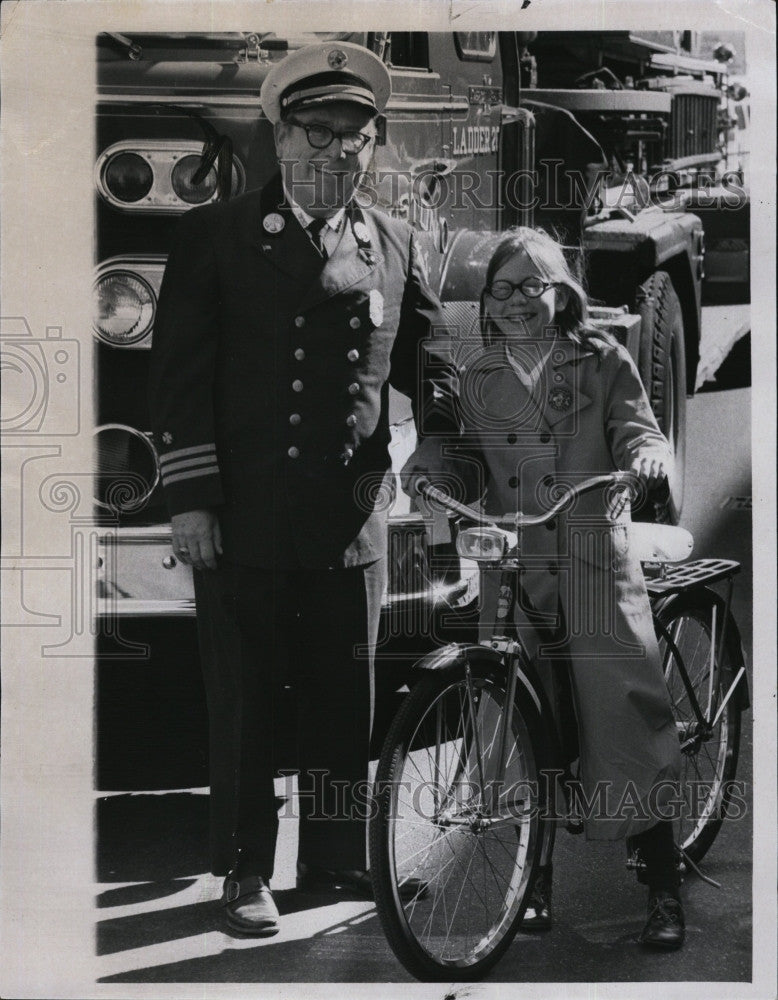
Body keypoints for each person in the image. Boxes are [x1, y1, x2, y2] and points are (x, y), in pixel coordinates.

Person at [148, 41, 451, 936]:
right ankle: (245, 873)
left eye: (354, 138)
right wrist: (190, 499)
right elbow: (176, 378)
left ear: (375, 146)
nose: (335, 153)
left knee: (340, 696)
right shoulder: (217, 235)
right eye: (316, 132)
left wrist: (440, 452)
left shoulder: (390, 240)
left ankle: (334, 860)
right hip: (240, 514)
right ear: (280, 137)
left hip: (346, 518)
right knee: (243, 701)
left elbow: (428, 358)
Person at [402, 226, 686, 950]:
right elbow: (463, 456)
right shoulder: (478, 374)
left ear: (562, 293)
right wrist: (434, 469)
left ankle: (661, 884)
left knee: (621, 714)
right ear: (487, 305)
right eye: (503, 291)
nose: (519, 303)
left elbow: (637, 430)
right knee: (521, 728)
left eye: (534, 287)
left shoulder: (601, 359)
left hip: (591, 561)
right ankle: (534, 882)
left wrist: (648, 457)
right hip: (516, 570)